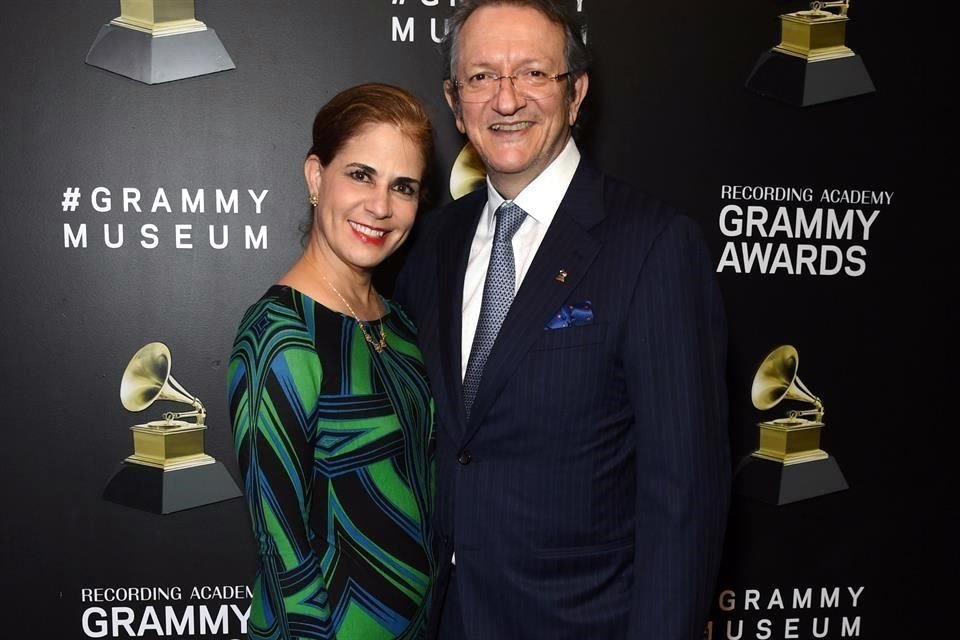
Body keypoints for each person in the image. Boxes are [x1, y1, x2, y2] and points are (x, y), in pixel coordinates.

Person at [393, 2, 731, 638]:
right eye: (482, 76)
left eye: (534, 74)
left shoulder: (653, 246)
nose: (507, 99)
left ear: (576, 94)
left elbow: (684, 494)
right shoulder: (428, 247)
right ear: (455, 101)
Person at [228, 83, 436, 640]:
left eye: (404, 186)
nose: (381, 207)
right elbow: (284, 560)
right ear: (317, 177)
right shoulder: (280, 335)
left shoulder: (399, 323)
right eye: (361, 175)